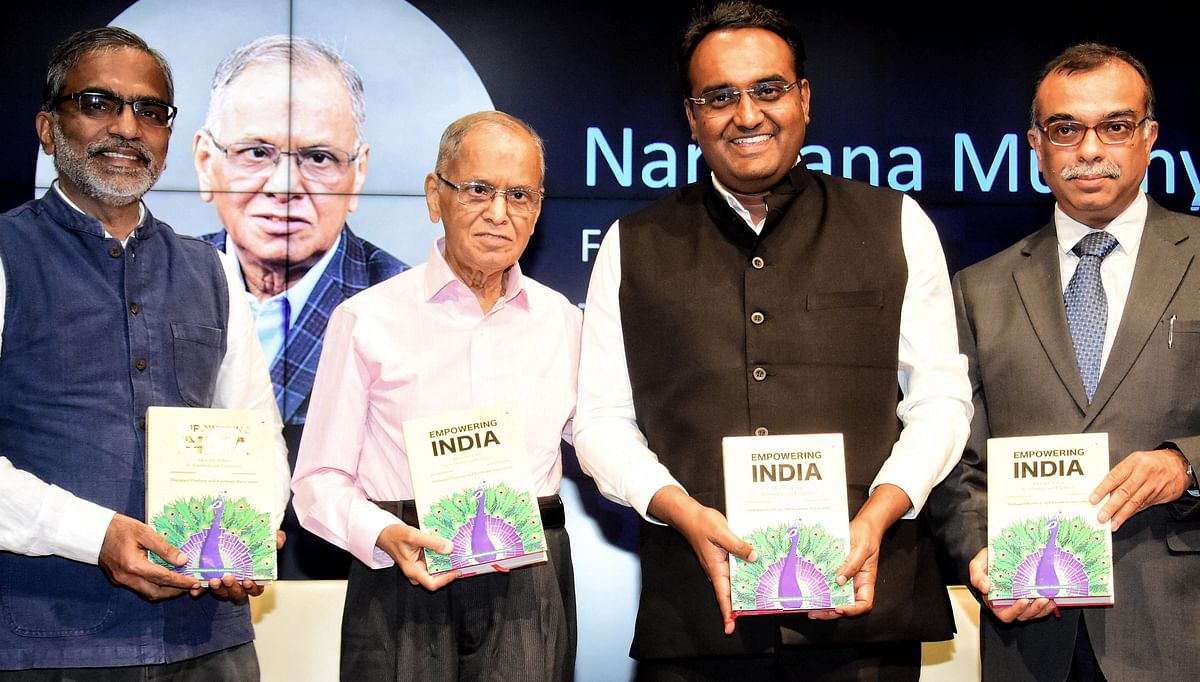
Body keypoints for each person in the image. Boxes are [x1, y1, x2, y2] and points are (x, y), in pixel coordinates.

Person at [574, 2, 971, 679]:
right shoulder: (632, 245)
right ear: (692, 116)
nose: (748, 114)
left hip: (863, 609)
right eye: (720, 96)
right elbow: (601, 423)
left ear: (804, 99)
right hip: (699, 619)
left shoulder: (897, 223)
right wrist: (680, 510)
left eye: (768, 89)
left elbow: (939, 400)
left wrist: (879, 514)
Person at [0, 27, 288, 677]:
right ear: (48, 128)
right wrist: (94, 535)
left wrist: (247, 533)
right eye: (100, 103)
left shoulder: (214, 271)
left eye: (150, 111)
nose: (129, 128)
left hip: (210, 642)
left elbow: (256, 432)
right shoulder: (7, 256)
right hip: (48, 643)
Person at [930, 43, 1200, 681]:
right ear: (1036, 145)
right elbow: (955, 461)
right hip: (1031, 634)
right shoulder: (977, 288)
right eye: (1065, 128)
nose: (1089, 148)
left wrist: (1186, 464)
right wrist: (978, 555)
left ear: (1149, 137)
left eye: (1115, 126)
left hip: (1180, 628)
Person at [291, 111, 579, 681]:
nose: (499, 214)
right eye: (478, 190)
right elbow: (317, 480)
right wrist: (381, 535)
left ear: (538, 207)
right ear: (434, 195)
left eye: (518, 195)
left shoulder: (563, 321)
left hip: (529, 582)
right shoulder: (365, 319)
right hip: (401, 571)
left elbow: (602, 440)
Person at [193, 35, 406, 579]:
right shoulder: (157, 285)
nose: (285, 186)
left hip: (355, 599)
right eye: (256, 152)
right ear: (204, 163)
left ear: (358, 175)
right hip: (181, 601)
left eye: (318, 158)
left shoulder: (404, 303)